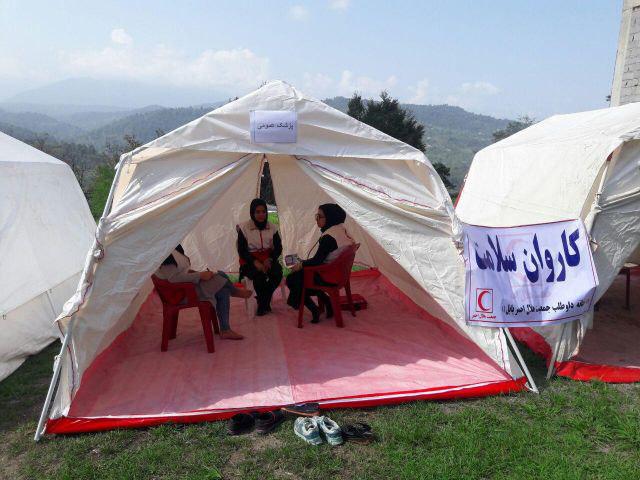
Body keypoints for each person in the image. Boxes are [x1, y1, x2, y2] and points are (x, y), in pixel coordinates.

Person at [155, 244, 252, 340]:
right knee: (221, 280)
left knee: (222, 285)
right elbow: (173, 278)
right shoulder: (164, 254)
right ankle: (234, 294)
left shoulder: (174, 248)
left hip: (186, 287)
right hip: (181, 294)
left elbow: (182, 271)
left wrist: (198, 273)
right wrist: (199, 276)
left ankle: (226, 329)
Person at [286, 203, 355, 323]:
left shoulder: (329, 237)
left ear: (330, 217)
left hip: (329, 276)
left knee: (292, 280)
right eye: (316, 216)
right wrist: (303, 263)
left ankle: (314, 309)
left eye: (320, 216)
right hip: (339, 274)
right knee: (297, 276)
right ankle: (327, 302)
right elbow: (320, 259)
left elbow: (317, 260)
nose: (316, 219)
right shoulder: (341, 229)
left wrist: (301, 265)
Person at [237, 198, 283, 316]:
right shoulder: (244, 228)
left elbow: (278, 247)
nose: (261, 215)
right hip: (249, 260)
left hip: (268, 258)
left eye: (263, 211)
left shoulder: (272, 227)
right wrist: (254, 262)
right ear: (252, 213)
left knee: (277, 273)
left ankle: (263, 301)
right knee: (259, 277)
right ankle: (264, 303)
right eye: (257, 212)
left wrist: (270, 259)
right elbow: (242, 250)